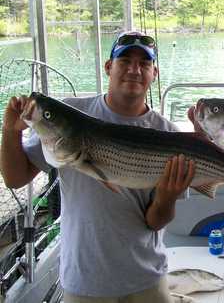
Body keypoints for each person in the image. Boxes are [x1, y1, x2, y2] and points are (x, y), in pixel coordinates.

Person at [0, 31, 195, 303]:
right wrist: (10, 129)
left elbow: (155, 222)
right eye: (124, 60)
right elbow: (15, 178)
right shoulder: (70, 115)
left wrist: (167, 196)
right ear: (108, 67)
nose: (134, 70)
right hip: (84, 280)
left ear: (154, 73)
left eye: (144, 63)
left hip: (146, 278)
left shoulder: (168, 134)